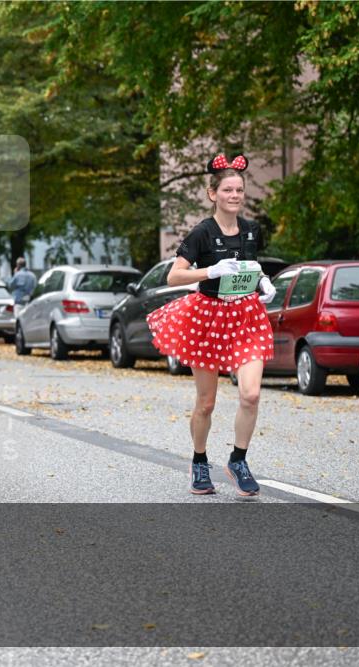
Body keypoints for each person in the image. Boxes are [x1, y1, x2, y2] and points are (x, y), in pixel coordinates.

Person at [146, 154, 276, 497]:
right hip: (207, 318)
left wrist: (261, 281)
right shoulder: (202, 232)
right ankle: (199, 461)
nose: (234, 195)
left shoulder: (251, 230)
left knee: (251, 394)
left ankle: (238, 460)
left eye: (239, 190)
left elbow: (250, 266)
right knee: (206, 403)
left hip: (245, 317)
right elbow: (174, 275)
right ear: (213, 194)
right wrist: (210, 271)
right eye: (228, 190)